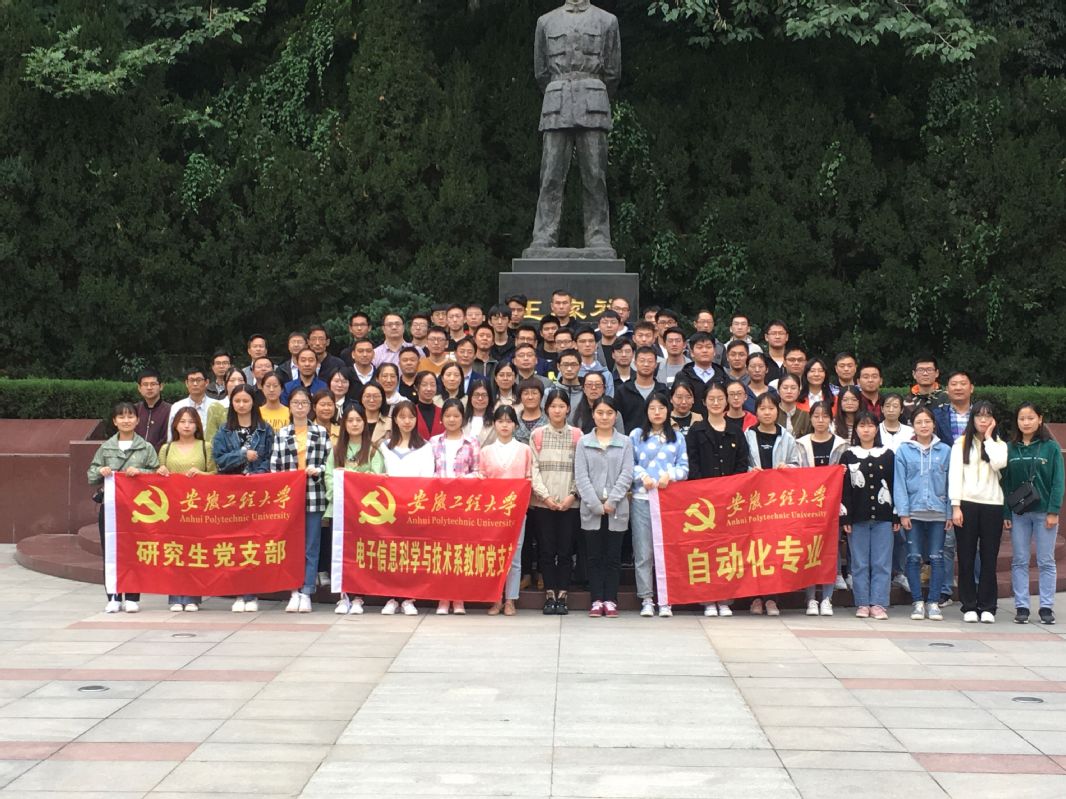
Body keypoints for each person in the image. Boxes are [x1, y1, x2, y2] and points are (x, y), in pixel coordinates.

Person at [88, 401, 160, 613]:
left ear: (137, 420)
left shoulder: (146, 447)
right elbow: (91, 474)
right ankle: (113, 596)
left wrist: (140, 473)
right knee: (110, 551)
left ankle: (132, 596)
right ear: (114, 421)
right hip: (111, 508)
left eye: (130, 416)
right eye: (121, 417)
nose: (126, 420)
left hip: (137, 510)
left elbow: (156, 474)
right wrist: (101, 471)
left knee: (135, 551)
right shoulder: (106, 447)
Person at [211, 385, 274, 612]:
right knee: (234, 543)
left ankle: (252, 593)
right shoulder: (224, 430)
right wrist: (242, 455)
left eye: (245, 401)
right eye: (237, 401)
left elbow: (270, 459)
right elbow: (219, 460)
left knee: (254, 543)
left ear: (253, 403)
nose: (241, 405)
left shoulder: (265, 430)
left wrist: (255, 476)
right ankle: (238, 592)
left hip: (256, 493)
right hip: (231, 493)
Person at [270, 388, 332, 614]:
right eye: (296, 402)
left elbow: (329, 463)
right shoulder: (282, 433)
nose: (300, 406)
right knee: (291, 546)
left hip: (313, 495)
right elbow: (275, 466)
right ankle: (293, 591)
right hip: (289, 498)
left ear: (310, 406)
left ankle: (306, 591)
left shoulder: (321, 432)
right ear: (290, 406)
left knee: (311, 545)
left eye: (304, 403)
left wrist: (319, 470)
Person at [629, 392, 689, 618]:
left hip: (668, 501)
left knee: (667, 551)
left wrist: (669, 475)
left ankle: (666, 599)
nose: (657, 413)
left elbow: (684, 468)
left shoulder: (677, 437)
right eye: (652, 408)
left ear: (668, 410)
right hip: (642, 499)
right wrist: (642, 476)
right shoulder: (636, 435)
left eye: (661, 408)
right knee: (643, 550)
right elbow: (629, 464)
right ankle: (646, 598)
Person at [1004, 403, 1063, 625]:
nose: (1026, 422)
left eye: (1030, 418)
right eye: (1022, 418)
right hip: (1019, 514)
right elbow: (1006, 483)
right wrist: (1006, 513)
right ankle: (1022, 606)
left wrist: (1054, 510)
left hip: (1044, 512)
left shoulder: (1050, 447)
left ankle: (1046, 607)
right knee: (1019, 560)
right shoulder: (1010, 448)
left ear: (1040, 419)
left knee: (1046, 560)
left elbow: (1058, 481)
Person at [574, 397, 634, 618]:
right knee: (594, 557)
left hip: (617, 509)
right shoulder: (584, 442)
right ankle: (596, 599)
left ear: (616, 416)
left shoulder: (625, 442)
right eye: (600, 413)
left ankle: (610, 599)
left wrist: (612, 501)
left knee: (612, 557)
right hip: (591, 509)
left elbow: (627, 474)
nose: (605, 417)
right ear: (593, 415)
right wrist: (596, 504)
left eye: (609, 413)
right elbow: (581, 477)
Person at [949, 400, 1007, 623]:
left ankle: (988, 606)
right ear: (972, 419)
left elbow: (999, 463)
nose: (983, 420)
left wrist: (989, 438)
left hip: (993, 505)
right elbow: (955, 476)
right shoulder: (961, 443)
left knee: (989, 557)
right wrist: (956, 507)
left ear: (993, 419)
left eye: (988, 416)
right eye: (979, 416)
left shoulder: (999, 444)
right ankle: (969, 605)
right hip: (967, 505)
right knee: (966, 556)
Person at [327, 404, 387, 616]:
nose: (354, 424)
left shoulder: (373, 450)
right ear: (344, 424)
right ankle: (343, 596)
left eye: (358, 420)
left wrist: (350, 476)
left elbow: (377, 480)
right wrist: (341, 484)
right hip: (341, 511)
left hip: (364, 514)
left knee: (361, 555)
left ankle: (358, 597)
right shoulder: (336, 450)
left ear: (364, 423)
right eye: (350, 420)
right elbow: (329, 478)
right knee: (340, 554)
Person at [893, 406, 951, 622]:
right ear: (913, 426)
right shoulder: (904, 450)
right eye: (919, 422)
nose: (924, 426)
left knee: (936, 557)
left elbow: (951, 483)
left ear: (934, 424)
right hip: (913, 512)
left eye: (927, 421)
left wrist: (949, 512)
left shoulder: (945, 450)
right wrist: (903, 512)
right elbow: (899, 483)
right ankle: (917, 602)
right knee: (913, 557)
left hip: (938, 512)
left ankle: (933, 602)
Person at [744, 392, 801, 615]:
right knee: (755, 549)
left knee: (774, 549)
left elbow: (797, 464)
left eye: (771, 408)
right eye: (762, 408)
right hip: (754, 500)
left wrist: (788, 469)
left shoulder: (786, 437)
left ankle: (771, 598)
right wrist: (751, 471)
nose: (767, 412)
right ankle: (755, 598)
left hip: (778, 502)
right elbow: (741, 464)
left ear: (778, 411)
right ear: (756, 412)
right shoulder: (747, 435)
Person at [157, 408, 217, 612]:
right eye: (182, 421)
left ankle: (192, 597)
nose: (186, 425)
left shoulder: (205, 447)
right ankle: (175, 597)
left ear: (197, 425)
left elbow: (215, 474)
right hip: (173, 508)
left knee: (194, 552)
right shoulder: (166, 448)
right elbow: (159, 476)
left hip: (197, 507)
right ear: (175, 425)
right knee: (174, 552)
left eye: (191, 421)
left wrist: (201, 473)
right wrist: (161, 471)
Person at [841, 412, 899, 620]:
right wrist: (845, 517)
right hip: (858, 517)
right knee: (860, 563)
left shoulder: (888, 454)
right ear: (856, 429)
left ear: (877, 429)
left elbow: (895, 485)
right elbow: (844, 489)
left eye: (870, 426)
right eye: (862, 426)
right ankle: (862, 603)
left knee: (882, 562)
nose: (866, 430)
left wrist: (896, 515)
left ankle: (879, 603)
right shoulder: (849, 455)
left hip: (884, 517)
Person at [529, 389, 582, 614]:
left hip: (571, 504)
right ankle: (550, 594)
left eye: (561, 406)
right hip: (544, 504)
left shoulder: (578, 435)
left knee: (566, 551)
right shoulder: (537, 435)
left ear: (568, 408)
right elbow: (533, 469)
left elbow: (582, 469)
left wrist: (573, 494)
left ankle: (563, 595)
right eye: (553, 406)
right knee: (547, 551)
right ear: (546, 409)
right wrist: (545, 497)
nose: (557, 410)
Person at [480, 406, 534, 617]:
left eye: (509, 421)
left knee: (514, 556)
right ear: (494, 424)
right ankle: (496, 599)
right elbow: (482, 480)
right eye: (500, 421)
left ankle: (511, 599)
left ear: (515, 425)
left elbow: (528, 479)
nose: (504, 425)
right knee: (494, 555)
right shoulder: (486, 451)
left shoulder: (524, 450)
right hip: (492, 513)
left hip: (516, 512)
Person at [796, 400, 849, 616]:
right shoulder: (801, 444)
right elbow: (796, 472)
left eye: (825, 416)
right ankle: (810, 598)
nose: (820, 420)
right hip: (808, 506)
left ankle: (827, 598)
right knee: (810, 549)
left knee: (830, 550)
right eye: (816, 416)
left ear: (831, 419)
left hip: (832, 505)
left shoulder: (842, 445)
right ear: (810, 418)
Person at [430, 398, 481, 615]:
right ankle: (443, 598)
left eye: (456, 416)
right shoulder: (433, 442)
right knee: (441, 552)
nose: (452, 419)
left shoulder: (472, 442)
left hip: (462, 504)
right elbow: (428, 471)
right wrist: (442, 483)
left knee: (460, 551)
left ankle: (459, 598)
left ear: (463, 418)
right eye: (448, 416)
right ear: (442, 419)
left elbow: (478, 472)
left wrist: (459, 482)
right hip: (439, 504)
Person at [933, 370, 975, 605]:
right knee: (947, 542)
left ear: (971, 387)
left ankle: (976, 588)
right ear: (947, 389)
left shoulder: (982, 415)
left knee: (976, 542)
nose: (958, 388)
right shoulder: (938, 415)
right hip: (947, 482)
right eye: (954, 384)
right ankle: (946, 590)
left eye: (963, 383)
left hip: (976, 483)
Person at [616, 345, 665, 433]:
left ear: (655, 364)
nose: (646, 364)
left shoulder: (663, 391)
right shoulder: (623, 391)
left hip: (658, 438)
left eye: (650, 361)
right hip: (629, 439)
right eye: (642, 361)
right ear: (635, 364)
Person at [167, 367, 220, 440]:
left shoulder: (216, 406)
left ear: (206, 382)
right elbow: (171, 435)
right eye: (191, 380)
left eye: (198, 380)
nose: (195, 384)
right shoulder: (177, 407)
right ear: (186, 383)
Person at [205, 367, 247, 442]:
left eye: (240, 380)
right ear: (225, 384)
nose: (236, 384)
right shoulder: (215, 408)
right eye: (232, 380)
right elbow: (210, 440)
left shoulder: (252, 405)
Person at [134, 369, 171, 451]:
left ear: (161, 386)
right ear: (139, 388)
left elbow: (167, 438)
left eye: (153, 384)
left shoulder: (170, 410)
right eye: (145, 384)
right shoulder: (134, 410)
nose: (149, 388)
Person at [902, 356, 947, 422]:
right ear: (914, 374)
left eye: (929, 370)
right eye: (921, 370)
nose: (925, 373)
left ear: (937, 373)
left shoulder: (947, 398)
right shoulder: (905, 401)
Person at [574, 326, 614, 397]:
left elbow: (609, 400)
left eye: (591, 341)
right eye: (582, 341)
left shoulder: (606, 374)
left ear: (596, 345)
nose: (587, 344)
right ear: (575, 345)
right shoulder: (568, 372)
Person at [463, 379, 497, 447]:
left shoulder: (496, 421)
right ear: (470, 397)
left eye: (484, 395)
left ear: (489, 398)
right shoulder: (461, 419)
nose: (480, 398)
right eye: (476, 395)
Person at [515, 378, 548, 445]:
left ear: (541, 396)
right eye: (526, 393)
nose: (530, 397)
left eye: (534, 393)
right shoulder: (513, 421)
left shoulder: (550, 420)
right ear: (520, 398)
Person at [358, 381, 392, 447]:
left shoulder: (390, 423)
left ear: (383, 399)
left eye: (376, 396)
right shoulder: (354, 421)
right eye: (367, 396)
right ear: (361, 399)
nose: (372, 400)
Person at [412, 371, 444, 439]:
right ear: (416, 387)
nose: (429, 389)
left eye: (433, 385)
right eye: (424, 385)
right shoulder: (411, 412)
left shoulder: (443, 413)